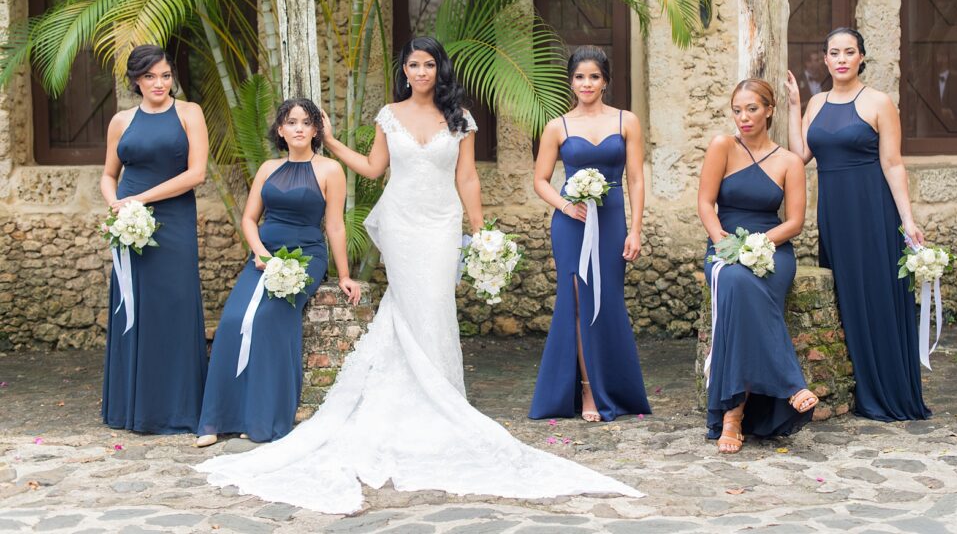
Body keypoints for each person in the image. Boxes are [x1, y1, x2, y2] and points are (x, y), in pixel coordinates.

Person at [196, 37, 641, 514]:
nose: (422, 72)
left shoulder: (460, 118)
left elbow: (467, 177)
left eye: (429, 64)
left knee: (437, 306)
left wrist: (480, 231)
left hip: (442, 222)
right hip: (403, 221)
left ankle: (443, 398)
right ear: (404, 70)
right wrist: (329, 141)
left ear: (439, 69)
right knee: (409, 306)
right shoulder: (389, 114)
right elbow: (372, 168)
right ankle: (410, 399)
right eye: (414, 64)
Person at [195, 99, 361, 447]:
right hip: (262, 257)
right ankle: (218, 417)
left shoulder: (330, 170)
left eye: (306, 122)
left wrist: (344, 274)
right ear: (280, 131)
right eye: (291, 122)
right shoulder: (268, 168)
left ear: (316, 130)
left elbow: (334, 226)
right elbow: (248, 219)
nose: (299, 128)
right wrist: (260, 253)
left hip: (304, 259)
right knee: (233, 320)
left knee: (269, 317)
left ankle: (259, 418)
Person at [786, 27, 931, 422]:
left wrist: (908, 221)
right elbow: (799, 156)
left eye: (849, 52)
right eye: (834, 52)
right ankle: (856, 384)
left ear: (862, 57)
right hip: (834, 214)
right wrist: (794, 105)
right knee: (846, 298)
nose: (841, 59)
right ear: (826, 58)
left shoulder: (879, 102)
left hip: (872, 211)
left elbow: (893, 164)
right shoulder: (816, 103)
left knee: (877, 296)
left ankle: (887, 391)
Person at [529, 45, 650, 423]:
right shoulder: (557, 126)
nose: (587, 83)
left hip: (612, 220)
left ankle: (615, 386)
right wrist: (566, 207)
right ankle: (587, 391)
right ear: (571, 81)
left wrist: (636, 229)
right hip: (572, 222)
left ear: (606, 81)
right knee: (578, 301)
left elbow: (635, 178)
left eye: (594, 76)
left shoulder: (626, 121)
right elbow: (540, 180)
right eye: (580, 76)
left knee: (608, 300)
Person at [697, 79, 817, 454]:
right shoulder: (723, 146)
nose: (743, 117)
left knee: (744, 286)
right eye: (737, 109)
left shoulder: (789, 161)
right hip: (725, 244)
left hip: (772, 248)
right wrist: (721, 241)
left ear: (769, 110)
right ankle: (787, 385)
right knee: (733, 280)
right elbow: (704, 202)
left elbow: (795, 221)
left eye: (751, 109)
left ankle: (734, 416)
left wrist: (763, 243)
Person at [99, 44, 208, 434]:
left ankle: (178, 409)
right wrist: (118, 207)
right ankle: (133, 409)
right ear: (136, 81)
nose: (159, 83)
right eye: (149, 77)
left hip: (174, 220)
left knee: (174, 306)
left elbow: (197, 173)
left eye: (164, 75)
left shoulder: (189, 113)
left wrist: (140, 200)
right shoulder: (120, 121)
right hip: (129, 224)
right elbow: (109, 174)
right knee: (134, 308)